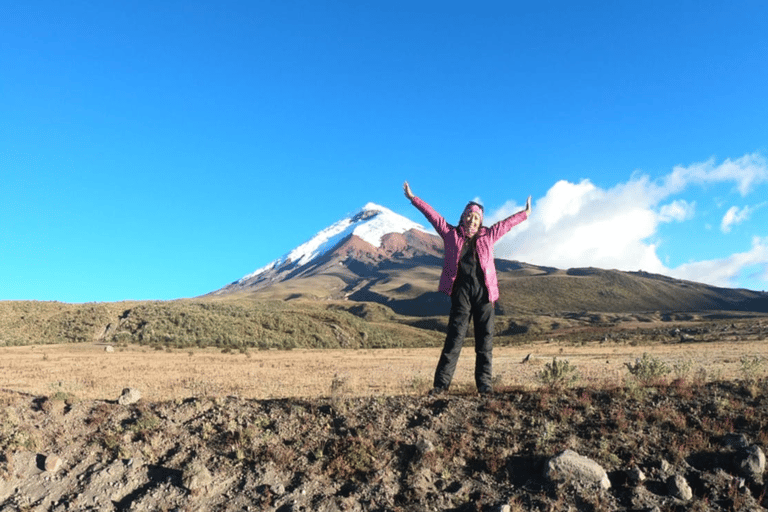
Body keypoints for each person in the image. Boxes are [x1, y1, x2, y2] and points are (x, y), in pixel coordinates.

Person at [403, 181, 531, 395]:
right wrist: (413, 198)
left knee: (485, 340)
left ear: (480, 221)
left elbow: (507, 224)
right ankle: (441, 386)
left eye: (476, 217)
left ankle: (484, 386)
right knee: (454, 338)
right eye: (469, 216)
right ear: (462, 217)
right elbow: (433, 216)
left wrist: (525, 213)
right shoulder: (450, 234)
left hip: (485, 294)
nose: (472, 220)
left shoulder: (489, 235)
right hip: (460, 292)